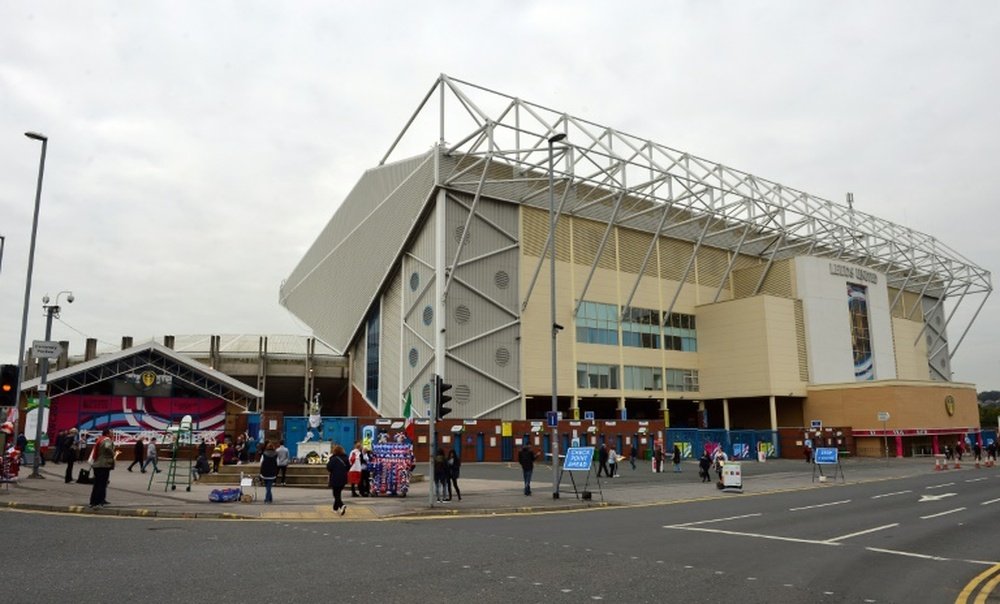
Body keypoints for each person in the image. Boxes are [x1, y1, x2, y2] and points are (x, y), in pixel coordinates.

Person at [88, 428, 116, 509]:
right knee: (102, 484)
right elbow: (107, 447)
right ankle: (100, 502)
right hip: (103, 465)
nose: (112, 434)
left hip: (97, 465)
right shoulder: (107, 440)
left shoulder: (100, 439)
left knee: (96, 484)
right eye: (111, 433)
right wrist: (113, 453)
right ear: (107, 434)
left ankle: (93, 501)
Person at [326, 444, 349, 515]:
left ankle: (342, 505)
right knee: (338, 493)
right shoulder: (345, 458)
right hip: (343, 478)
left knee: (335, 494)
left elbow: (329, 467)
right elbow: (348, 467)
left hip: (335, 478)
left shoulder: (333, 458)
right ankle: (335, 508)